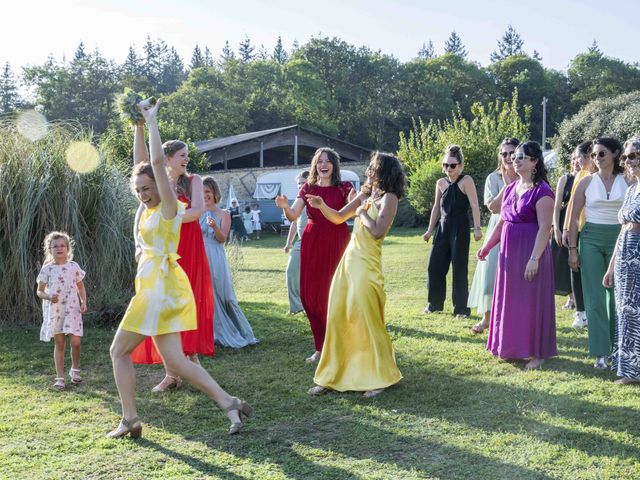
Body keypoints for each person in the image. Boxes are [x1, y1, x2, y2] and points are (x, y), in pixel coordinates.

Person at [108, 100, 252, 438]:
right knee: (176, 363)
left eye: (148, 188)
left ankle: (130, 418)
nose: (143, 194)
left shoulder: (170, 207)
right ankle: (229, 402)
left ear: (163, 186)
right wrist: (138, 127)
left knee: (118, 351)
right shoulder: (146, 206)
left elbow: (156, 163)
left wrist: (153, 119)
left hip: (158, 287)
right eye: (139, 189)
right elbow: (142, 164)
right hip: (162, 287)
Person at [306, 152, 405, 397]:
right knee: (338, 316)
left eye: (372, 167)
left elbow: (378, 231)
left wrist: (361, 212)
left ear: (384, 171)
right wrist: (322, 206)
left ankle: (378, 377)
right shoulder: (365, 194)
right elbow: (339, 217)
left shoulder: (389, 198)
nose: (368, 171)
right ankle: (330, 375)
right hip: (349, 263)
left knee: (366, 319)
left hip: (367, 266)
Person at [129, 113, 215, 393]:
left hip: (188, 245)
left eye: (187, 154)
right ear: (166, 158)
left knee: (189, 302)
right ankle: (171, 373)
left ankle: (193, 359)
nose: (186, 159)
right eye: (181, 155)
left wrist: (174, 215)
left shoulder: (194, 181)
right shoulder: (158, 185)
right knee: (165, 307)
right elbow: (140, 165)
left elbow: (199, 210)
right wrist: (139, 126)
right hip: (166, 246)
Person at [478, 141, 556, 369]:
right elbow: (502, 221)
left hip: (531, 251)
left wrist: (534, 258)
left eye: (522, 157)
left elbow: (545, 228)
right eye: (515, 157)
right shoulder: (511, 188)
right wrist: (488, 246)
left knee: (530, 302)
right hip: (509, 253)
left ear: (534, 162)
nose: (516, 160)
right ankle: (512, 346)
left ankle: (536, 353)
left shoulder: (543, 191)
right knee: (510, 300)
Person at [275, 148, 353, 363]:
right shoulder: (308, 187)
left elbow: (353, 210)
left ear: (334, 165)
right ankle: (320, 347)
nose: (323, 164)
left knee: (333, 294)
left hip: (336, 240)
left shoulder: (344, 187)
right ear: (315, 165)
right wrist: (283, 207)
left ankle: (337, 345)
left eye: (328, 161)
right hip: (312, 240)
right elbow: (293, 215)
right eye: (319, 161)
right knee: (310, 296)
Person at [568, 137, 630, 369]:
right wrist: (572, 249)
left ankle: (617, 349)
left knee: (617, 297)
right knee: (594, 298)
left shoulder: (629, 180)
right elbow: (574, 219)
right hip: (591, 239)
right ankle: (599, 353)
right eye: (594, 155)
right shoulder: (586, 182)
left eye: (601, 154)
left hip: (620, 239)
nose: (596, 158)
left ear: (615, 154)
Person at [423, 145, 483, 318]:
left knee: (459, 268)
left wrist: (477, 228)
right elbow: (436, 208)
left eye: (452, 165)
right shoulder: (440, 183)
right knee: (434, 266)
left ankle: (462, 309)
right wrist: (428, 231)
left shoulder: (466, 181)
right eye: (445, 165)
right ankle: (434, 304)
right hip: (442, 228)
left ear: (461, 165)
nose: (448, 169)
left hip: (460, 228)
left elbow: (474, 205)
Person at [200, 177, 259, 348]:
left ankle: (238, 332)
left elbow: (222, 239)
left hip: (215, 255)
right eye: (202, 192)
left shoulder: (224, 213)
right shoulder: (195, 212)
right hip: (199, 256)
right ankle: (209, 333)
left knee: (223, 295)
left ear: (214, 193)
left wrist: (214, 227)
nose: (205, 195)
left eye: (208, 192)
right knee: (204, 295)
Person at [468, 137, 519, 334]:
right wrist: (508, 186)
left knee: (514, 275)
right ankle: (487, 318)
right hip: (497, 227)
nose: (507, 157)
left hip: (520, 229)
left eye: (511, 153)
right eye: (504, 153)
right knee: (490, 274)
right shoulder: (493, 178)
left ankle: (512, 319)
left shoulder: (527, 176)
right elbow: (493, 207)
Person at [603, 137, 640, 384]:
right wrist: (611, 266)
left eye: (635, 155)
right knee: (625, 312)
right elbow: (624, 227)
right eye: (626, 157)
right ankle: (629, 369)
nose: (629, 160)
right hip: (625, 256)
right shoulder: (630, 189)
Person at [37, 232, 87, 390]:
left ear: (68, 248)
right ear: (50, 249)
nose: (59, 248)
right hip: (56, 310)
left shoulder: (73, 266)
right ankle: (59, 377)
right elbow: (39, 291)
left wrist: (84, 302)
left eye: (62, 245)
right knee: (59, 344)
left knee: (76, 342)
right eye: (55, 246)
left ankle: (75, 369)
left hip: (72, 309)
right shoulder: (48, 269)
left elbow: (80, 286)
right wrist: (47, 295)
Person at [562, 141, 593, 328]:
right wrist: (566, 228)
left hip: (592, 229)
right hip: (577, 229)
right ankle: (580, 312)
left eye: (580, 156)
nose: (577, 160)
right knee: (575, 268)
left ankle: (591, 311)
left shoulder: (597, 176)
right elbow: (572, 207)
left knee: (591, 272)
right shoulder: (580, 175)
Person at [552, 153, 578, 308]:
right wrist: (555, 227)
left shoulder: (590, 178)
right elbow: (556, 205)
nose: (575, 161)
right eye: (573, 158)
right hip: (563, 222)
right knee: (562, 260)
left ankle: (578, 295)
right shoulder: (565, 179)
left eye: (578, 158)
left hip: (579, 223)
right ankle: (571, 296)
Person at [284, 171, 309, 315]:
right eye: (298, 183)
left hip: (316, 241)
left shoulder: (315, 198)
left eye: (303, 182)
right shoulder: (299, 200)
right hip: (301, 242)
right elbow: (294, 223)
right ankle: (296, 307)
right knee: (291, 271)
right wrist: (288, 243)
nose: (300, 185)